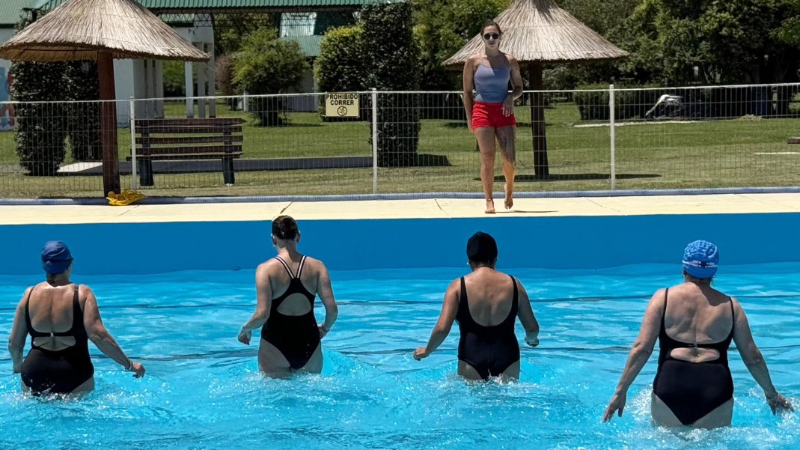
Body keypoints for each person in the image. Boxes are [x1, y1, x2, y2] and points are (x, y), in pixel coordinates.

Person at [603, 240, 793, 428]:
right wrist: (772, 395)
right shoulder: (731, 306)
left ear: (684, 268)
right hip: (715, 390)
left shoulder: (663, 298)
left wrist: (621, 391)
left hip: (671, 386)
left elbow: (642, 348)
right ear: (714, 272)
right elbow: (753, 357)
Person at [7, 241, 145, 396]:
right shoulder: (82, 293)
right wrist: (129, 364)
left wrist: (18, 368)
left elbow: (14, 343)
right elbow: (98, 335)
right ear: (69, 264)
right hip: (74, 372)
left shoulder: (29, 295)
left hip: (34, 372)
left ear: (44, 266)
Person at [413, 232, 540, 381]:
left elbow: (442, 329)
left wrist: (427, 351)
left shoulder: (458, 287)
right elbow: (532, 328)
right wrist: (531, 340)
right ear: (496, 258)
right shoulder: (514, 284)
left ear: (469, 261)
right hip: (508, 357)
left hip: (471, 358)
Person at [238, 215, 338, 377]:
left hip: (275, 344)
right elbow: (332, 310)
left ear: (273, 239)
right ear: (298, 236)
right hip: (309, 343)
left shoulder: (266, 270)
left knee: (275, 399)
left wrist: (245, 328)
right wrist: (325, 328)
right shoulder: (318, 267)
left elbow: (262, 314)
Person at [462, 20, 524, 214]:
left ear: (500, 37)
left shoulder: (510, 61)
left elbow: (519, 88)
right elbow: (467, 92)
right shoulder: (473, 62)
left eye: (494, 35)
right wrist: (469, 118)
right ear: (482, 38)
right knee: (487, 157)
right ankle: (489, 199)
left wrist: (509, 97)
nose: (491, 39)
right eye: (487, 36)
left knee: (510, 160)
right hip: (482, 111)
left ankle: (509, 188)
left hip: (504, 112)